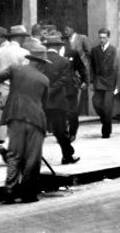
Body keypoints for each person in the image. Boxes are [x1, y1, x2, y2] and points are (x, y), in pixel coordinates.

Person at [0, 51, 51, 204]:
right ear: (39, 63)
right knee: (32, 158)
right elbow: (45, 105)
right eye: (44, 64)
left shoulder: (15, 69)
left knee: (14, 154)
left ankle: (9, 191)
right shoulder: (44, 79)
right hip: (36, 120)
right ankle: (28, 194)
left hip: (15, 116)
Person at [39, 34, 80, 165]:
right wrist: (52, 90)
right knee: (60, 130)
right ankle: (67, 155)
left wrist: (45, 91)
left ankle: (33, 156)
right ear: (58, 47)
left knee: (39, 130)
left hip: (42, 100)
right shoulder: (64, 61)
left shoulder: (41, 61)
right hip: (58, 100)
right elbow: (64, 80)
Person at [0, 25, 29, 154]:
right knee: (16, 121)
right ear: (21, 37)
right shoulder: (23, 53)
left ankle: (3, 141)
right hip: (17, 91)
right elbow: (25, 76)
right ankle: (9, 146)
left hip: (1, 89)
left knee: (2, 119)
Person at [90, 28, 116, 138]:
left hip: (109, 81)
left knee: (107, 106)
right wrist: (91, 81)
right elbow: (91, 66)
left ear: (108, 38)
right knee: (96, 103)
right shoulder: (95, 50)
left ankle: (106, 130)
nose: (102, 40)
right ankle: (105, 120)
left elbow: (116, 68)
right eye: (100, 37)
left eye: (104, 37)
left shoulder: (113, 50)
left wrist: (116, 84)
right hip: (98, 81)